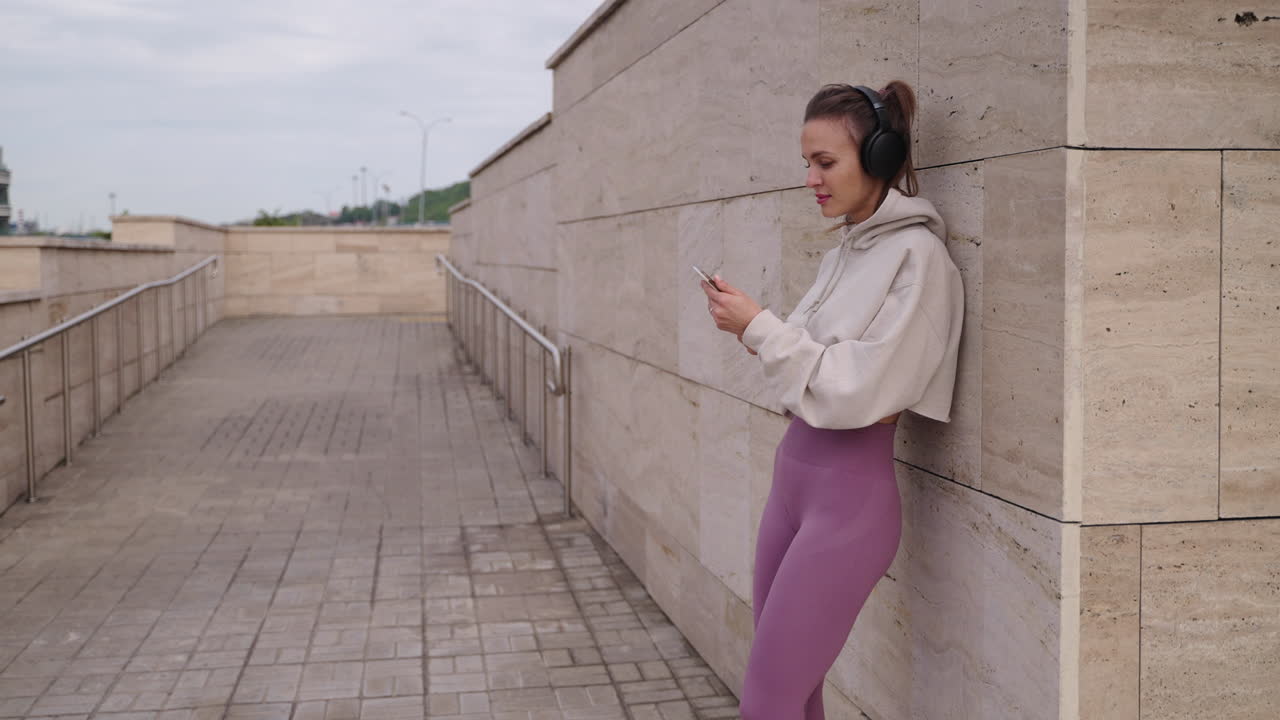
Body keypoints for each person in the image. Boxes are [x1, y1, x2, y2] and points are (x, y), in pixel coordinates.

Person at [700, 81, 964, 720]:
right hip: (791, 484)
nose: (811, 180)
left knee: (766, 702)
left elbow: (857, 389)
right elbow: (804, 368)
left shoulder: (920, 259)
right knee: (795, 695)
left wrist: (761, 328)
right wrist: (751, 328)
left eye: (825, 162)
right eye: (806, 163)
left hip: (849, 502)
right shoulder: (843, 254)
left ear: (878, 157)